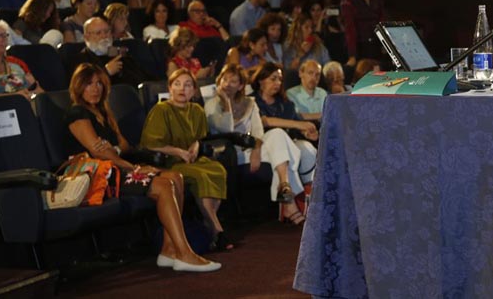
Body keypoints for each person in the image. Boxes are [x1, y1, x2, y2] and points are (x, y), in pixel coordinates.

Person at [64, 63, 221, 272]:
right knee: (165, 185)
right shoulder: (77, 113)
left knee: (176, 178)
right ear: (79, 87)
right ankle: (185, 253)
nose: (95, 88)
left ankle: (168, 250)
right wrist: (132, 167)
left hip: (117, 167)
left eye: (99, 83)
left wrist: (115, 150)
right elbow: (99, 153)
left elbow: (124, 145)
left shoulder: (103, 111)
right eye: (89, 84)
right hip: (100, 176)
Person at [205, 64, 311, 225]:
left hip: (253, 150)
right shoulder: (212, 104)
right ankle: (288, 203)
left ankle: (284, 185)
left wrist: (256, 149)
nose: (226, 84)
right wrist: (226, 104)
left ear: (241, 85)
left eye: (232, 81)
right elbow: (226, 130)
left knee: (277, 134)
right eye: (224, 80)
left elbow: (258, 131)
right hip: (232, 153)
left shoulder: (249, 102)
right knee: (283, 152)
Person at [141, 69, 232, 251]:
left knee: (217, 169)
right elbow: (150, 144)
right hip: (170, 162)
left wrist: (196, 145)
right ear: (170, 88)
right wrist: (177, 151)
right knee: (200, 176)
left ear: (194, 90)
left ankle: (210, 223)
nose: (182, 89)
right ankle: (216, 228)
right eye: (177, 84)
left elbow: (200, 137)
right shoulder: (161, 110)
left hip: (193, 159)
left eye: (188, 85)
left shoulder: (196, 110)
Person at [250, 63, 318, 223]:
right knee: (278, 134)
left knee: (307, 148)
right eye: (273, 79)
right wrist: (299, 125)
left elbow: (296, 126)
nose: (278, 83)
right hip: (260, 147)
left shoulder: (285, 103)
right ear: (261, 80)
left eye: (280, 80)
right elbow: (265, 122)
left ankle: (312, 200)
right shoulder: (252, 100)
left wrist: (308, 132)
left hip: (284, 149)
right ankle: (288, 202)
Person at [69, 17, 150, 86]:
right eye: (98, 33)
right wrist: (106, 72)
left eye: (107, 31)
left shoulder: (120, 55)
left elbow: (142, 79)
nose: (104, 36)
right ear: (86, 37)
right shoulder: (80, 60)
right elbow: (81, 86)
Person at [340, 0, 385, 66]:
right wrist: (352, 56)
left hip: (377, 43)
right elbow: (350, 30)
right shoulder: (347, 2)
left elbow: (381, 18)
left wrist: (385, 43)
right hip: (361, 46)